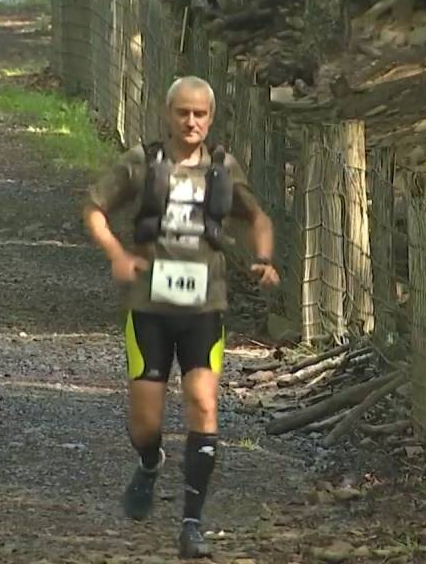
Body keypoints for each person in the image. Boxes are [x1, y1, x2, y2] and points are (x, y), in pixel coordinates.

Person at [81, 75, 280, 558]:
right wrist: (116, 254)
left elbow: (258, 217)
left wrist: (262, 258)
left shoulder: (222, 168)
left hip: (204, 309)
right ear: (167, 114)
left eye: (200, 114)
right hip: (148, 308)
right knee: (146, 423)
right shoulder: (143, 164)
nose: (192, 122)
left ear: (211, 118)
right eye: (183, 113)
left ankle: (192, 522)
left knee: (203, 406)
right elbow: (93, 207)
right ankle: (150, 462)